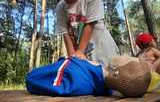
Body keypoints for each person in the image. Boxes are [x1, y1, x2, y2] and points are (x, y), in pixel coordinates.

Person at [26, 55, 155, 97]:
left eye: (127, 58)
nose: (125, 54)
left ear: (116, 71)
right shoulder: (105, 87)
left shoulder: (76, 76)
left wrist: (67, 60)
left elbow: (31, 79)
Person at [53, 0, 119, 64]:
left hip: (101, 47)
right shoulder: (61, 7)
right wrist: (72, 59)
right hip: (83, 53)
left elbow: (90, 25)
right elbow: (65, 34)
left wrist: (80, 51)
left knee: (110, 72)